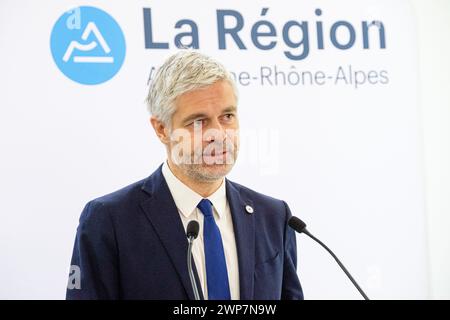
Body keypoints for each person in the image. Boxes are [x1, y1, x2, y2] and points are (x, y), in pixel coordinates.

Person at [66, 51, 303, 300]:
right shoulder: (109, 220)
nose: (218, 134)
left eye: (227, 116)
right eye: (198, 121)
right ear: (161, 129)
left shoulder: (274, 216)